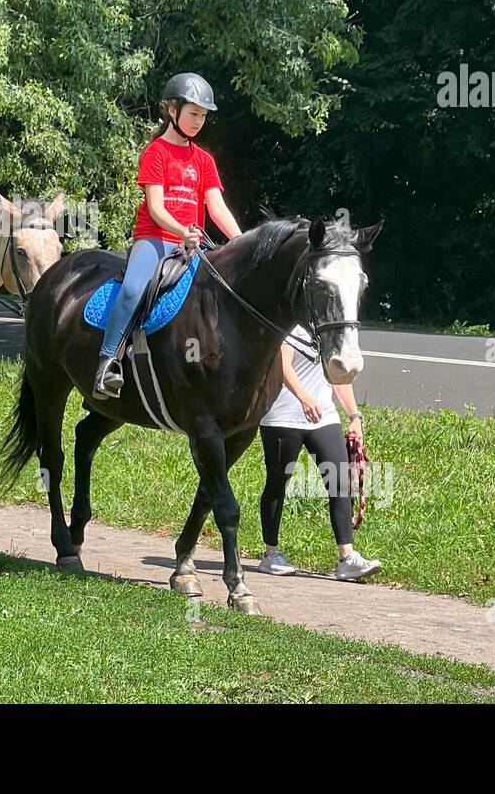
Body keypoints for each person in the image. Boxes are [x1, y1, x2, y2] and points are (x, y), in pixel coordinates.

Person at [92, 73, 243, 399]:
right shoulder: (156, 153)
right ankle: (108, 362)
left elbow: (217, 209)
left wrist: (241, 241)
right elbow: (156, 209)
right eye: (193, 113)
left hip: (193, 243)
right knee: (132, 290)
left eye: (203, 116)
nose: (198, 121)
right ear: (172, 110)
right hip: (155, 239)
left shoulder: (204, 161)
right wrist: (182, 231)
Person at [257, 325, 381, 581]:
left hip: (323, 417)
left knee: (340, 483)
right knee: (278, 483)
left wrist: (354, 416)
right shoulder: (292, 325)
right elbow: (283, 366)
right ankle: (271, 554)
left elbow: (338, 376)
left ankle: (347, 558)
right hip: (283, 417)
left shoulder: (329, 329)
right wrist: (304, 398)